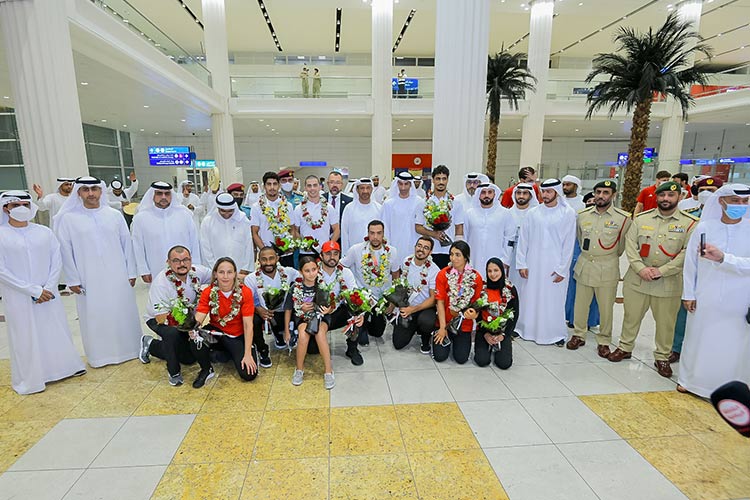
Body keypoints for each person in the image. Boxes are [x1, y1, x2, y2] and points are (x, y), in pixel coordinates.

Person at [609, 181, 698, 378]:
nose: (666, 199)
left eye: (671, 196)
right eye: (662, 195)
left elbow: (688, 253)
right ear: (656, 197)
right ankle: (625, 347)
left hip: (668, 282)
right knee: (631, 317)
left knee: (666, 323)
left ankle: (662, 357)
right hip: (637, 279)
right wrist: (641, 269)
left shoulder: (690, 223)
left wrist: (662, 271)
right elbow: (631, 246)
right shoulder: (641, 219)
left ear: (679, 198)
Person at [0, 191, 85, 395]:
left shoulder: (44, 232)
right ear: (5, 209)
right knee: (25, 335)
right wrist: (33, 290)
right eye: (15, 205)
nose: (21, 208)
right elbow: (2, 270)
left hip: (49, 293)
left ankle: (62, 369)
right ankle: (31, 379)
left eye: (25, 204)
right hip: (18, 295)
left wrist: (48, 287)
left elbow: (56, 259)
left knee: (53, 329)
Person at [54, 176, 142, 367]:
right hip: (88, 276)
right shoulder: (69, 219)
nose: (91, 193)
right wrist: (72, 278)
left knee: (121, 311)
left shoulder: (114, 215)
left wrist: (131, 272)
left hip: (118, 274)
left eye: (95, 189)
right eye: (86, 190)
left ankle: (130, 350)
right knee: (94, 314)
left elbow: (126, 244)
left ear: (101, 191)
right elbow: (65, 251)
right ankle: (100, 356)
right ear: (79, 193)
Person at [678, 184, 750, 396]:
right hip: (706, 294)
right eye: (735, 201)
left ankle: (732, 385)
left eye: (744, 202)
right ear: (721, 201)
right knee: (698, 338)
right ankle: (690, 381)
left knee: (734, 344)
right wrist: (688, 294)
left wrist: (724, 259)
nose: (740, 205)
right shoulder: (704, 227)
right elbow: (691, 264)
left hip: (740, 298)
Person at [566, 180, 631, 357]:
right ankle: (579, 335)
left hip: (607, 266)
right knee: (580, 305)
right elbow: (580, 239)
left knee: (606, 307)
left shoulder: (623, 218)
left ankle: (603, 340)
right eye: (598, 192)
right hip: (585, 264)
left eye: (605, 192)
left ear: (614, 195)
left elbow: (621, 246)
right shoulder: (582, 215)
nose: (601, 196)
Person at [140, 246, 214, 388]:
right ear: (168, 262)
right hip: (161, 320)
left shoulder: (197, 272)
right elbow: (161, 318)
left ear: (191, 260)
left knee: (188, 358)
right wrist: (189, 327)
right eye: (176, 261)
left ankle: (151, 345)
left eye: (185, 260)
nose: (181, 264)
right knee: (172, 335)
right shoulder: (161, 283)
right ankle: (173, 372)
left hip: (186, 320)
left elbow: (218, 275)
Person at [515, 179, 577, 346]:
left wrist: (562, 269)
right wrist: (521, 263)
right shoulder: (533, 213)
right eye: (543, 191)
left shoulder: (568, 213)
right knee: (530, 297)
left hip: (554, 266)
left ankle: (554, 333)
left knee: (553, 300)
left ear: (556, 192)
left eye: (549, 192)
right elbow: (523, 240)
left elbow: (568, 244)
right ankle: (526, 329)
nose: (546, 195)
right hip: (532, 264)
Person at [669, 176, 723, 363]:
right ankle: (676, 348)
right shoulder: (690, 216)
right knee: (682, 313)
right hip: (692, 272)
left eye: (713, 191)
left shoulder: (732, 220)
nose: (707, 195)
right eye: (702, 191)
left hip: (720, 275)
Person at [194, 257, 259, 381]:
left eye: (229, 272)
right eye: (221, 272)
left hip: (237, 335)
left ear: (235, 274)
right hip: (217, 332)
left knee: (249, 375)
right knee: (196, 339)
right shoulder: (208, 292)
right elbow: (200, 316)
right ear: (215, 274)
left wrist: (247, 354)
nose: (225, 276)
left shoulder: (245, 292)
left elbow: (248, 325)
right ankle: (206, 370)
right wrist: (193, 327)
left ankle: (248, 349)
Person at [341, 220, 400, 346]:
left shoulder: (392, 252)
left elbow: (396, 276)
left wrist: (393, 302)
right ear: (368, 233)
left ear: (383, 234)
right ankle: (361, 320)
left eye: (379, 233)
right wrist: (349, 288)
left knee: (377, 333)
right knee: (362, 341)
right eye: (372, 233)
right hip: (362, 299)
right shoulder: (356, 250)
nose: (375, 237)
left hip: (380, 299)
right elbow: (341, 266)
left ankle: (370, 320)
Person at [131, 181, 202, 283]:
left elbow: (194, 242)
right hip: (155, 268)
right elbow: (138, 246)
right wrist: (143, 270)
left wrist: (196, 266)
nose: (163, 197)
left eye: (167, 193)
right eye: (159, 193)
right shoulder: (141, 218)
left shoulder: (184, 215)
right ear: (152, 195)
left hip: (184, 269)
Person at [283, 256, 336, 389]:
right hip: (303, 317)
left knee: (320, 334)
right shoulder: (295, 287)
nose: (311, 273)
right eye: (307, 271)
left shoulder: (323, 285)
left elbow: (333, 304)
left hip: (321, 317)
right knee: (303, 334)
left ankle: (328, 371)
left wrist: (328, 309)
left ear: (318, 269)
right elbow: (288, 309)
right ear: (301, 272)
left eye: (314, 269)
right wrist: (287, 330)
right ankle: (299, 369)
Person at [432, 241, 484, 364]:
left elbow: (477, 305)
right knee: (440, 357)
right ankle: (437, 334)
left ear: (466, 257)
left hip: (464, 325)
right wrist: (442, 328)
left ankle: (457, 341)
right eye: (451, 254)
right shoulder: (443, 274)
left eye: (457, 255)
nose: (453, 258)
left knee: (461, 359)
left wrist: (474, 314)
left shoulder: (476, 278)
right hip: (444, 322)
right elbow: (439, 302)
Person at [316, 241, 364, 364]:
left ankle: (352, 349)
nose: (332, 257)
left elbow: (354, 293)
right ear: (321, 255)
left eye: (335, 254)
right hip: (318, 314)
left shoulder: (345, 272)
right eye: (328, 254)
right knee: (312, 350)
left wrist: (360, 315)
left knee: (356, 307)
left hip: (338, 312)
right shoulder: (314, 271)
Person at [244, 246, 299, 351]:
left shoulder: (288, 272)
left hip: (286, 311)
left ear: (277, 258)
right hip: (266, 313)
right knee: (252, 319)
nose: (268, 262)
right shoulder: (250, 278)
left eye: (271, 258)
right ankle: (262, 349)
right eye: (264, 259)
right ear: (259, 261)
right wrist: (257, 309)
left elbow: (304, 280)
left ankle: (290, 332)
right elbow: (247, 301)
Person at [393, 237, 439, 354]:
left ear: (430, 252)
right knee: (398, 344)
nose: (421, 249)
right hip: (407, 306)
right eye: (419, 246)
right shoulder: (406, 261)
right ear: (415, 247)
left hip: (424, 308)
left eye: (426, 248)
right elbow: (401, 285)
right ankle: (412, 327)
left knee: (426, 322)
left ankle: (425, 338)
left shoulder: (434, 270)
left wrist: (413, 309)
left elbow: (433, 299)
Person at [415, 165, 465, 269]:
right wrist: (434, 234)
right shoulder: (423, 203)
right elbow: (418, 227)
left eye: (444, 179)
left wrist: (457, 250)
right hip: (429, 251)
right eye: (438, 179)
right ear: (433, 180)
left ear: (447, 180)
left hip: (449, 252)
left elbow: (459, 228)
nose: (441, 182)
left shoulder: (456, 203)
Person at [474, 258, 518, 369]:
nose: (493, 274)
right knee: (482, 361)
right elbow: (477, 315)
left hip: (502, 332)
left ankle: (498, 346)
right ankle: (487, 345)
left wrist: (503, 335)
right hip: (485, 331)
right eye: (489, 271)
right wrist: (486, 334)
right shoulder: (482, 289)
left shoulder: (510, 289)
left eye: (496, 270)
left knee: (504, 364)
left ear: (502, 271)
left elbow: (514, 315)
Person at [465, 183, 514, 278]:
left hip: (498, 261)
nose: (486, 195)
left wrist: (505, 260)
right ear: (478, 194)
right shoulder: (469, 214)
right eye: (483, 192)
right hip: (474, 260)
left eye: (490, 192)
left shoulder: (505, 213)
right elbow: (465, 237)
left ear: (494, 194)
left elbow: (509, 238)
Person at [200, 193, 254, 275]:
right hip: (216, 270)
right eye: (223, 211)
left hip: (239, 271)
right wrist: (214, 269)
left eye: (230, 211)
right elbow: (205, 249)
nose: (226, 214)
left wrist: (245, 268)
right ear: (217, 208)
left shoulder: (243, 220)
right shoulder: (208, 222)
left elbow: (249, 246)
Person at [251, 172, 296, 268]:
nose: (272, 187)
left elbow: (292, 229)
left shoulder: (288, 205)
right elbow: (254, 232)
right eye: (269, 184)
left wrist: (289, 245)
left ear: (279, 185)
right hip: (267, 256)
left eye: (275, 184)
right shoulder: (256, 207)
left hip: (286, 253)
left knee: (288, 281)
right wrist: (265, 251)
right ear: (264, 186)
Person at [507, 183, 539, 306]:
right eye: (518, 193)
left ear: (531, 196)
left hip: (530, 256)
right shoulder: (508, 213)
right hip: (511, 255)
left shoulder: (536, 214)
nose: (521, 196)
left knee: (528, 289)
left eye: (525, 193)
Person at [292, 175, 340, 255]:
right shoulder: (298, 208)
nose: (312, 188)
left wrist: (329, 246)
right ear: (305, 188)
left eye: (315, 185)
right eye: (309, 186)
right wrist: (303, 245)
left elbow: (336, 230)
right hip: (305, 252)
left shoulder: (329, 207)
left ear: (320, 187)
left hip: (325, 252)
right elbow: (295, 231)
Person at [382, 171, 421, 261]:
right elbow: (385, 227)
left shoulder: (419, 202)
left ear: (410, 185)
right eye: (400, 184)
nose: (403, 187)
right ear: (397, 184)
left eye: (406, 184)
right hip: (394, 245)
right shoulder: (389, 204)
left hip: (414, 244)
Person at [340, 178, 383, 251]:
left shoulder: (379, 208)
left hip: (375, 252)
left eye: (368, 188)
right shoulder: (349, 208)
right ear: (357, 190)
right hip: (353, 252)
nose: (365, 191)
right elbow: (344, 233)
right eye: (362, 188)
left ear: (372, 189)